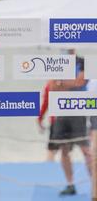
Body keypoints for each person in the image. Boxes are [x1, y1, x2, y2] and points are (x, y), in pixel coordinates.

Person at [49, 52, 91, 196]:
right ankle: (70, 185)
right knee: (64, 151)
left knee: (86, 150)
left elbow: (81, 82)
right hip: (61, 112)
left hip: (78, 111)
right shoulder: (58, 63)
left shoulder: (83, 61)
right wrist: (71, 83)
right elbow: (53, 87)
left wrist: (63, 83)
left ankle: (95, 184)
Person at [38, 80, 59, 161]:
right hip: (56, 121)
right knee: (54, 149)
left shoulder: (50, 84)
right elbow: (46, 103)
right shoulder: (50, 84)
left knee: (53, 150)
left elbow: (46, 103)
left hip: (59, 120)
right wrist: (40, 119)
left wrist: (40, 119)